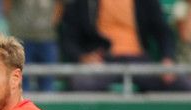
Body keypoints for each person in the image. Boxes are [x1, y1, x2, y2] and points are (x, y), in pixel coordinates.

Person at [59, 0, 191, 91]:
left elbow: (163, 32)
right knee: (80, 83)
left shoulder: (145, 2)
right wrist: (83, 57)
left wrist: (167, 58)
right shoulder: (83, 3)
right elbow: (69, 38)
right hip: (104, 61)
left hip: (138, 61)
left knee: (183, 84)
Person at [3, 0, 63, 91]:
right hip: (21, 37)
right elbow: (6, 4)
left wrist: (53, 22)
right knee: (21, 84)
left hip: (47, 37)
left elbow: (60, 3)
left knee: (48, 82)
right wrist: (15, 23)